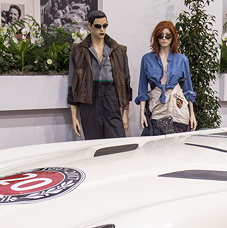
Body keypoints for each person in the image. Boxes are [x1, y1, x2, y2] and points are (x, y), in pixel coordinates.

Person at [67, 10, 132, 139]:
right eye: (98, 26)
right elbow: (72, 84)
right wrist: (74, 116)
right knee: (95, 145)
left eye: (105, 25)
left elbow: (125, 82)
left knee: (117, 144)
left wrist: (125, 112)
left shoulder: (118, 50)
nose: (102, 30)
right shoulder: (78, 51)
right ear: (89, 26)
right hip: (89, 100)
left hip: (111, 99)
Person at [136, 21, 197, 134]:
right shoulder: (147, 59)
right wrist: (141, 113)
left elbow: (188, 89)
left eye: (168, 36)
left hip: (178, 108)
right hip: (158, 106)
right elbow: (142, 88)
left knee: (177, 145)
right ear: (156, 37)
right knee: (156, 145)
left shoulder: (182, 59)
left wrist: (192, 114)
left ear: (173, 37)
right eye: (161, 35)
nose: (164, 38)